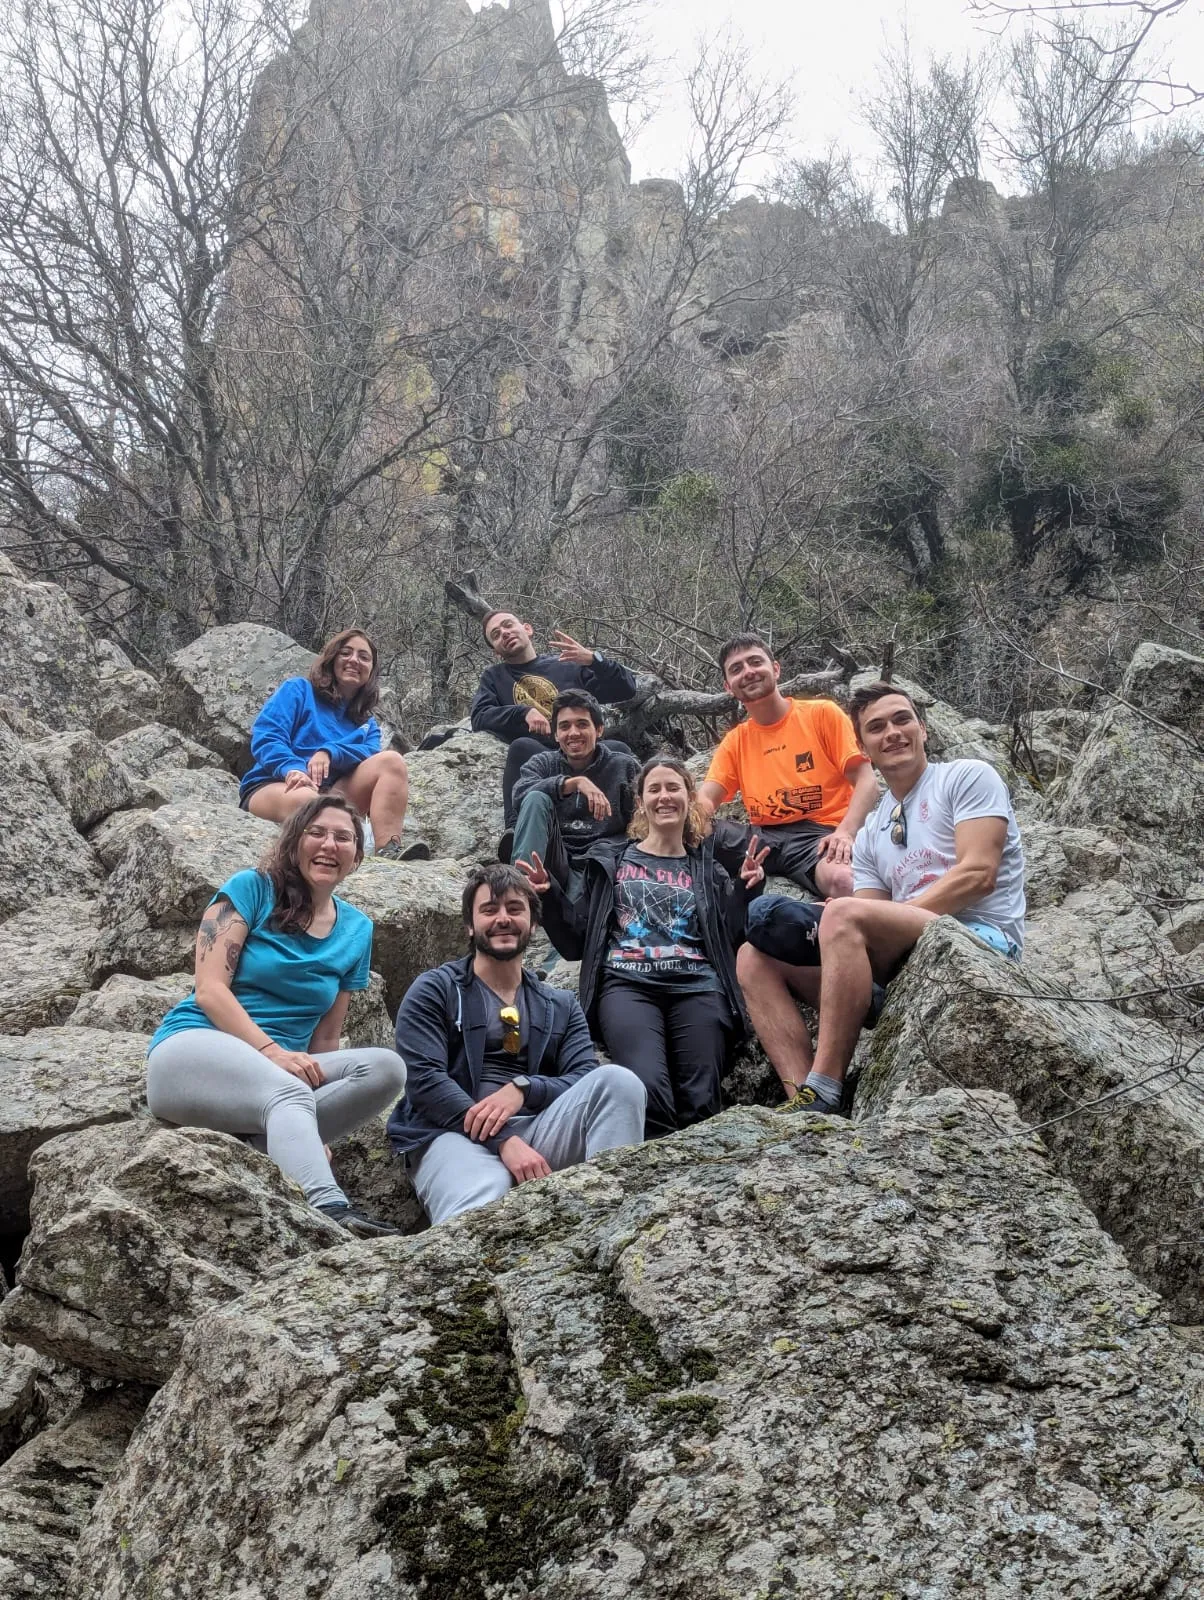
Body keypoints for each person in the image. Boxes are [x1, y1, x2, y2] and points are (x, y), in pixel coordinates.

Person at [737, 682, 1026, 1114]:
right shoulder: (873, 829)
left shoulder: (966, 777)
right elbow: (868, 920)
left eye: (902, 719)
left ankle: (824, 1088)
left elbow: (979, 875)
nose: (892, 732)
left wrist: (867, 916)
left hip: (980, 944)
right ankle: (802, 1102)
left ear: (923, 729)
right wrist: (844, 919)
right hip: (904, 959)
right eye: (876, 727)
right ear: (863, 747)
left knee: (843, 915)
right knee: (753, 957)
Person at [146, 795, 407, 1236]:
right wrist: (272, 1053)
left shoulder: (357, 929)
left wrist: (307, 1127)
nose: (329, 845)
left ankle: (276, 1138)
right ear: (294, 841)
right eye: (316, 832)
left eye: (344, 837)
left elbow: (325, 1041)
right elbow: (209, 990)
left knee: (386, 1068)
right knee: (289, 1093)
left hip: (276, 1077)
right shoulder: (250, 888)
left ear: (357, 855)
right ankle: (329, 1212)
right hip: (193, 1049)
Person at [520, 757, 765, 1142]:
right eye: (654, 789)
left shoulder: (708, 869)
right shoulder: (611, 860)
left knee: (701, 1099)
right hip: (628, 988)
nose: (664, 797)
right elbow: (575, 941)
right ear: (640, 802)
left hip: (698, 987)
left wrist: (747, 891)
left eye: (673, 788)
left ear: (689, 798)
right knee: (648, 1091)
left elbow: (730, 937)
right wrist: (549, 896)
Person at [386, 863, 646, 1224]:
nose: (503, 919)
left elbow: (583, 1076)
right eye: (489, 910)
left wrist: (525, 1089)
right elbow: (424, 1082)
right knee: (485, 1197)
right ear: (470, 925)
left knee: (619, 1082)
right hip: (450, 1133)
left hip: (539, 1131)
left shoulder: (560, 1005)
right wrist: (505, 1141)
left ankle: (613, 1221)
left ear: (534, 923)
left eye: (514, 908)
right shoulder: (436, 989)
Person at [698, 633, 880, 900]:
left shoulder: (822, 714)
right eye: (736, 669)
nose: (748, 672)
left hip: (818, 835)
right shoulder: (736, 740)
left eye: (755, 662)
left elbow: (867, 782)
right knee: (691, 831)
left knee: (844, 881)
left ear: (775, 669)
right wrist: (686, 821)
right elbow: (706, 797)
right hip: (761, 839)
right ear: (728, 686)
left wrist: (846, 832)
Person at [239, 627, 429, 861]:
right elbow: (267, 735)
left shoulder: (367, 723)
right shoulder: (298, 690)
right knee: (313, 803)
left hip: (332, 791)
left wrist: (330, 752)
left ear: (371, 671)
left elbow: (368, 753)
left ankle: (389, 850)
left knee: (392, 762)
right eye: (345, 653)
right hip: (276, 785)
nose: (354, 660)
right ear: (331, 659)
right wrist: (292, 769)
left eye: (364, 657)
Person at [470, 608, 639, 828]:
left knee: (619, 750)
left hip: (586, 752)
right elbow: (480, 716)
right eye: (496, 634)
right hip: (542, 758)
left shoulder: (566, 664)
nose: (504, 633)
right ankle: (514, 829)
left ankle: (638, 824)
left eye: (508, 625)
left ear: (527, 629)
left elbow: (626, 689)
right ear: (496, 651)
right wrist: (522, 712)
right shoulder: (495, 677)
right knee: (521, 746)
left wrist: (595, 660)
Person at [506, 690, 640, 890]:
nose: (573, 733)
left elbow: (643, 817)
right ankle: (521, 887)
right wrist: (572, 783)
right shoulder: (543, 763)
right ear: (556, 734)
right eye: (565, 726)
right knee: (535, 797)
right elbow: (519, 794)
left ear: (599, 730)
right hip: (554, 855)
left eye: (582, 724)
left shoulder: (624, 766)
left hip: (605, 858)